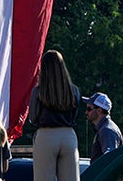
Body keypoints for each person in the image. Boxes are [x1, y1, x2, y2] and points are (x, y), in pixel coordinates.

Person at [28, 50, 80, 181]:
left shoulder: (38, 91)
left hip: (46, 135)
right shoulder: (73, 90)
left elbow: (33, 117)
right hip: (68, 135)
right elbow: (74, 114)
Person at [83, 93, 123, 161]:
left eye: (89, 109)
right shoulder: (104, 128)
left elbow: (110, 160)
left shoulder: (106, 130)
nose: (86, 112)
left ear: (99, 110)